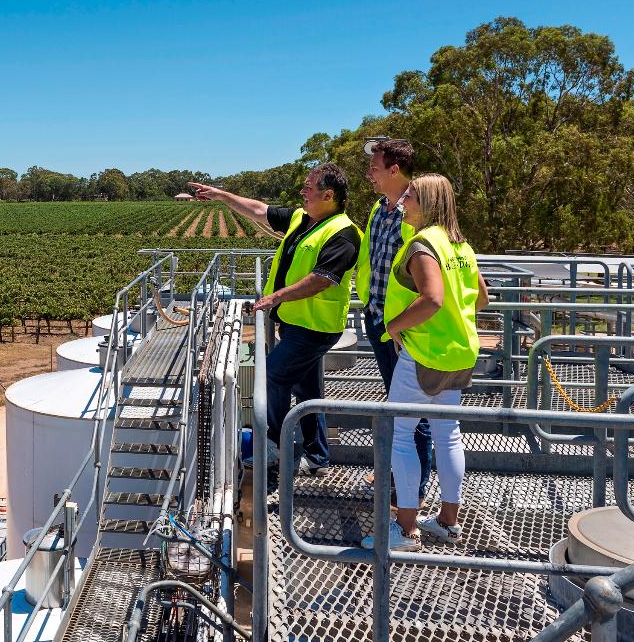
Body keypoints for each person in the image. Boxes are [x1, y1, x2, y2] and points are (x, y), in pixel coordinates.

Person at [189, 164, 361, 475]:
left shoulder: (344, 234)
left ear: (329, 195)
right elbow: (257, 210)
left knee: (272, 378)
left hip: (315, 328)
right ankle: (318, 458)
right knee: (309, 394)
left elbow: (323, 279)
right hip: (297, 324)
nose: (302, 192)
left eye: (308, 188)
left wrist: (276, 297)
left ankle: (274, 446)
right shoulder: (302, 218)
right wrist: (220, 195)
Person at [361, 173, 488, 551]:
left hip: (424, 354)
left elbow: (431, 298)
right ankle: (448, 522)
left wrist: (394, 326)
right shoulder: (459, 245)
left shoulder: (423, 245)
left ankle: (404, 529)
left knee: (401, 437)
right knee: (447, 434)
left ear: (429, 202)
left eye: (411, 195)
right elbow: (481, 298)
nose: (404, 201)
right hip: (460, 353)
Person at [355, 138, 432, 503]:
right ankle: (395, 472)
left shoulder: (418, 212)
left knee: (413, 413)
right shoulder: (378, 209)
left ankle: (410, 493)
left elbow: (430, 277)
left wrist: (402, 325)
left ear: (394, 170)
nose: (370, 173)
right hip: (379, 319)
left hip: (406, 328)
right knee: (394, 401)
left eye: (375, 167)